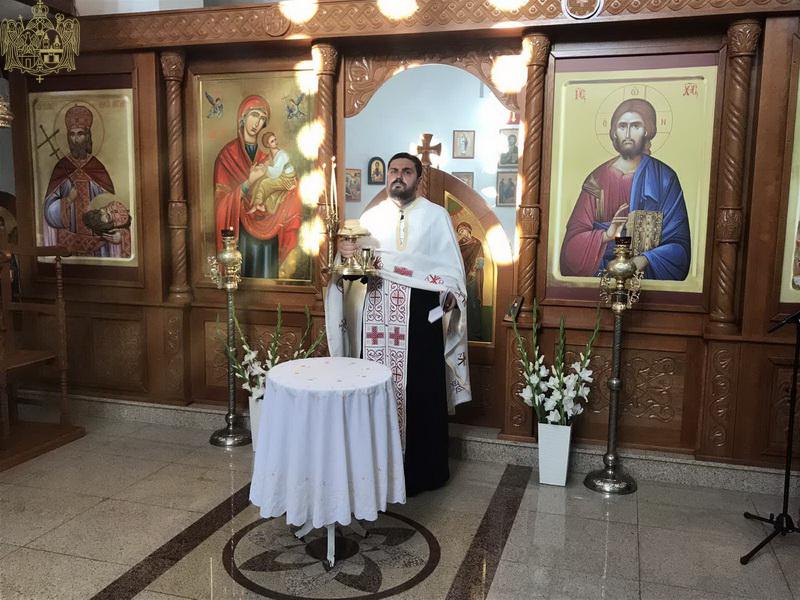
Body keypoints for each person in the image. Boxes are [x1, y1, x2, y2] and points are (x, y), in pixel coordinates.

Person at [325, 152, 471, 496]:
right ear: (386, 175)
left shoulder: (436, 217)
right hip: (376, 316)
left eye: (406, 171)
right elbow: (352, 270)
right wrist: (345, 254)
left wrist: (451, 295)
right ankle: (373, 471)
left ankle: (423, 473)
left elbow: (451, 270)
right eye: (393, 171)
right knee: (375, 387)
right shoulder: (370, 218)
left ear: (418, 178)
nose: (398, 177)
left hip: (420, 320)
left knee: (421, 391)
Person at [559, 98, 691, 280]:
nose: (628, 134)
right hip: (600, 275)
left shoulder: (664, 178)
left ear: (647, 130)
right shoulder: (597, 179)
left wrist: (645, 259)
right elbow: (571, 248)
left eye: (635, 126)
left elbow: (680, 248)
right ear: (614, 132)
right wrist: (606, 235)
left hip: (645, 275)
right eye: (622, 126)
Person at [214, 96, 301, 278]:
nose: (257, 123)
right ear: (243, 117)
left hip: (269, 232)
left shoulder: (266, 158)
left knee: (268, 279)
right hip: (242, 235)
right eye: (254, 115)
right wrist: (249, 182)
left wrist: (291, 186)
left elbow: (280, 186)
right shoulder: (227, 156)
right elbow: (221, 204)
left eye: (262, 119)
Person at [43, 105, 123, 257]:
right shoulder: (62, 167)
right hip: (68, 244)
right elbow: (48, 212)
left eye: (80, 134)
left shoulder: (97, 168)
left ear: (88, 136)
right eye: (72, 134)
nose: (76, 139)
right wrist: (67, 200)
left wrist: (117, 232)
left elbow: (113, 205)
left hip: (97, 244)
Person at [247, 131, 296, 215]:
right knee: (261, 180)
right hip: (282, 176)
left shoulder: (281, 154)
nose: (275, 142)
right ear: (267, 145)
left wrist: (266, 167)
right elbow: (268, 167)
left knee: (264, 183)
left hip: (287, 178)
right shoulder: (272, 154)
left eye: (275, 139)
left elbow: (275, 172)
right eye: (272, 141)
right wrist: (258, 168)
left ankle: (258, 205)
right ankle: (258, 205)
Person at [455, 222, 484, 341]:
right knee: (461, 304)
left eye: (462, 231)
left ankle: (476, 334)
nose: (461, 234)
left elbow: (481, 262)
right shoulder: (458, 245)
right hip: (461, 278)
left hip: (473, 278)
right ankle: (462, 332)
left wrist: (474, 270)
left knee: (473, 304)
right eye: (459, 232)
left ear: (468, 230)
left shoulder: (477, 244)